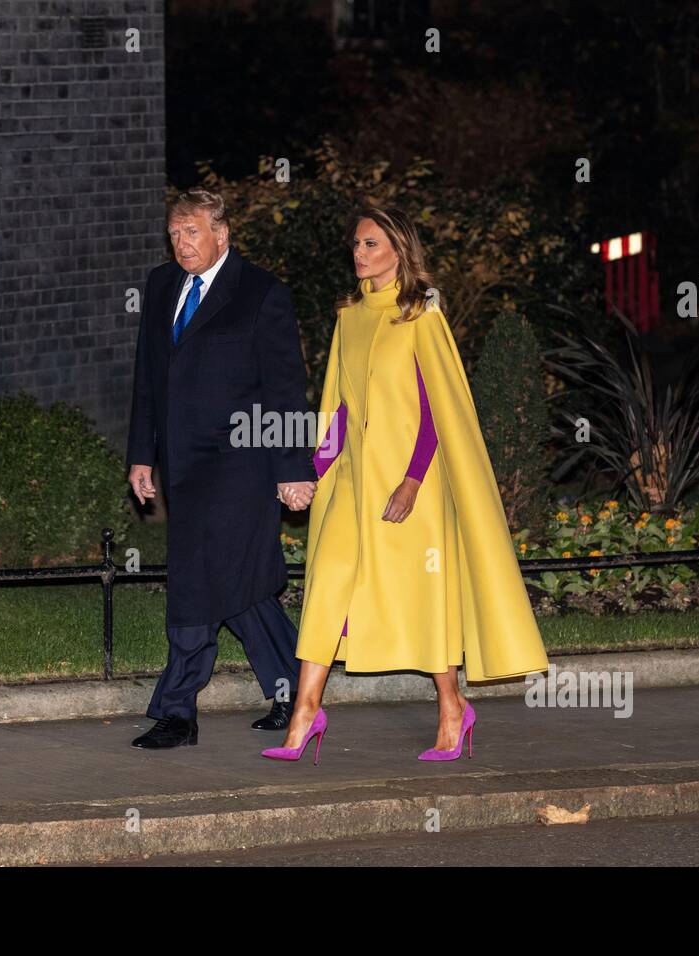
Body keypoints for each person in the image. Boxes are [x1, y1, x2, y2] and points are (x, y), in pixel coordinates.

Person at [262, 205, 549, 764]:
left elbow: (435, 409)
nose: (360, 254)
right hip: (354, 479)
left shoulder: (422, 315)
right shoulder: (350, 317)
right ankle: (304, 713)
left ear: (398, 249)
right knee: (328, 584)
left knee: (419, 597)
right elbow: (342, 411)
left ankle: (452, 708)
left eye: (371, 244)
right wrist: (311, 474)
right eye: (356, 245)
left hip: (409, 480)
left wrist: (413, 481)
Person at [125, 188, 317, 749]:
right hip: (183, 468)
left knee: (195, 581)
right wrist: (142, 453)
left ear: (221, 234)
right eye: (175, 234)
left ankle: (176, 711)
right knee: (242, 585)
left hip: (242, 466)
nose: (181, 244)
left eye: (192, 233)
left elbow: (286, 389)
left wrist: (293, 469)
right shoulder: (161, 286)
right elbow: (148, 377)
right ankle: (295, 690)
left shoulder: (261, 293)